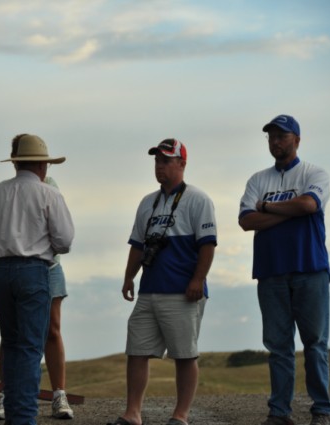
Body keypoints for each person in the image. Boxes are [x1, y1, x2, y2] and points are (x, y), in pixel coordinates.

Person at [108, 139, 217, 425]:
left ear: (182, 164)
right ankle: (132, 414)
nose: (159, 166)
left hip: (183, 291)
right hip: (149, 289)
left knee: (184, 355)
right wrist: (129, 277)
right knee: (137, 351)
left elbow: (207, 245)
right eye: (157, 161)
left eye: (166, 161)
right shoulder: (147, 202)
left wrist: (198, 279)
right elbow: (137, 245)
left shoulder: (198, 199)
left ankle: (180, 415)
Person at [238, 115, 330, 425]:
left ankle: (321, 409)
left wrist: (266, 207)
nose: (275, 141)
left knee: (315, 344)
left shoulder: (314, 173)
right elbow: (246, 221)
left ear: (297, 140)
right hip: (271, 272)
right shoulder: (257, 180)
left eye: (282, 136)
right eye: (271, 136)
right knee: (278, 346)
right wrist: (290, 211)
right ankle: (280, 413)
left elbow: (309, 205)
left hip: (310, 269)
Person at [0, 134, 74, 425]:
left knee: (11, 342)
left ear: (16, 164)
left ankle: (13, 410)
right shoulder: (49, 193)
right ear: (43, 166)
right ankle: (23, 418)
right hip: (33, 270)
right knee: (31, 347)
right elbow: (65, 240)